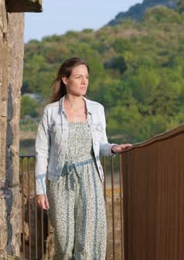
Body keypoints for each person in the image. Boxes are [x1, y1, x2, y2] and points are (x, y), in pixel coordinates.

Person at [35, 57, 131, 259]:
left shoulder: (97, 109)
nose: (84, 81)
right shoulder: (51, 112)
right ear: (65, 79)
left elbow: (101, 145)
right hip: (59, 180)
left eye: (86, 77)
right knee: (64, 242)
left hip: (90, 179)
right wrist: (40, 190)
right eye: (78, 77)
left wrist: (113, 148)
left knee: (88, 241)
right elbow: (42, 152)